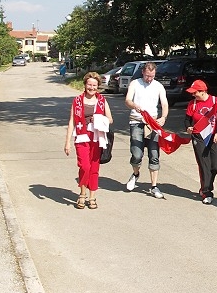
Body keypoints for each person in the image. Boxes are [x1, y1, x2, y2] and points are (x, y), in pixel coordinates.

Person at [64, 72, 113, 209]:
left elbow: (110, 119)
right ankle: (82, 193)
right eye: (89, 84)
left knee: (94, 167)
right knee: (84, 166)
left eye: (94, 85)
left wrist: (99, 119)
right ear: (85, 85)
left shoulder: (102, 100)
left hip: (97, 138)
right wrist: (67, 142)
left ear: (98, 86)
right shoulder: (77, 100)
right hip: (81, 137)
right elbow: (71, 121)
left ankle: (91, 196)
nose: (91, 87)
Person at [124, 61, 169, 198]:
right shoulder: (135, 83)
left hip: (152, 123)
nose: (149, 79)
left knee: (154, 154)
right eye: (147, 75)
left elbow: (165, 104)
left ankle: (154, 186)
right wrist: (134, 105)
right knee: (137, 154)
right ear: (143, 72)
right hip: (137, 121)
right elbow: (127, 101)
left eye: (152, 76)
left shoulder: (158, 86)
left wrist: (163, 117)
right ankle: (135, 174)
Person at [184, 80, 217, 204]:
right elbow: (187, 120)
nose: (193, 95)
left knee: (215, 165)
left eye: (195, 92)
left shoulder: (215, 101)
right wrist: (188, 127)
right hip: (198, 136)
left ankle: (208, 185)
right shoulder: (193, 103)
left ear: (203, 91)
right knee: (204, 165)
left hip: (214, 136)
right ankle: (206, 191)